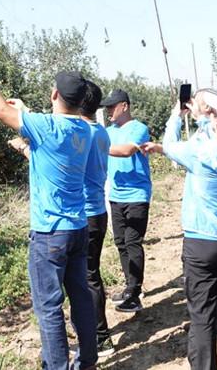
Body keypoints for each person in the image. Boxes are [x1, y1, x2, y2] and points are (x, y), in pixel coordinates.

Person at [0, 53, 97, 370]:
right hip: (78, 229)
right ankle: (88, 361)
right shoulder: (85, 131)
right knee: (80, 297)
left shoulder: (47, 128)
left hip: (50, 234)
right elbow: (51, 150)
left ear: (54, 94)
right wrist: (26, 115)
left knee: (49, 306)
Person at [143, 92, 217, 370]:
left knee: (202, 317)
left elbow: (169, 144)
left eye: (214, 113)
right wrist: (205, 118)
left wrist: (177, 115)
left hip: (201, 245)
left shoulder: (198, 152)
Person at [101, 88, 151, 314]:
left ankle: (135, 292)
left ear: (124, 106)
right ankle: (130, 286)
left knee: (133, 242)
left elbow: (127, 151)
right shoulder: (108, 131)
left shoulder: (139, 129)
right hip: (116, 195)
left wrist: (99, 147)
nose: (108, 110)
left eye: (112, 106)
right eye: (107, 107)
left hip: (137, 195)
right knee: (121, 243)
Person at [80, 81, 115, 356]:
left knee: (88, 277)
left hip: (87, 214)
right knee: (92, 275)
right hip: (97, 211)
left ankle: (101, 338)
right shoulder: (101, 132)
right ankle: (98, 335)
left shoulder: (83, 134)